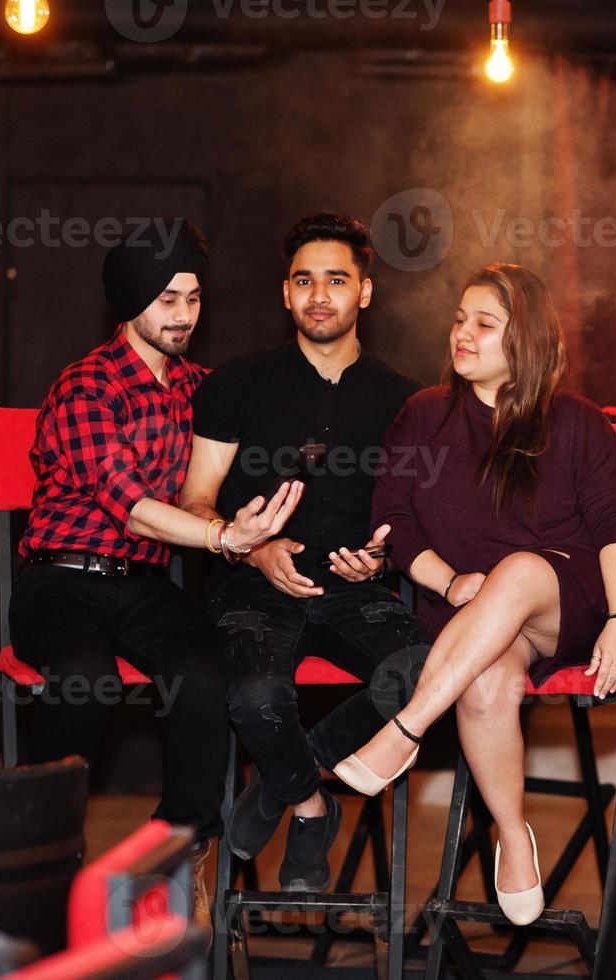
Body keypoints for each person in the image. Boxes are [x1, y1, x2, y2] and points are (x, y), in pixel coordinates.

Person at [331, 263, 616, 927]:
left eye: (483, 324)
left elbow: (614, 527)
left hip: (564, 601)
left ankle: (405, 729)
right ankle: (511, 832)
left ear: (522, 340)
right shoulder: (421, 416)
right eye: (458, 319)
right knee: (485, 684)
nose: (461, 334)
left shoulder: (577, 421)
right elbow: (394, 521)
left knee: (523, 569)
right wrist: (448, 581)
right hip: (470, 617)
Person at [10, 220, 300, 863]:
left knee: (205, 673)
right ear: (131, 300)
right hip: (60, 578)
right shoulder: (86, 385)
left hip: (143, 585)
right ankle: (37, 845)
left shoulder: (200, 389)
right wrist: (227, 537)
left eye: (194, 299)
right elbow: (135, 510)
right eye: (167, 299)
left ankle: (183, 845)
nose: (184, 315)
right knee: (87, 679)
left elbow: (237, 473)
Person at [180, 213, 428, 892]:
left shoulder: (405, 402)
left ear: (365, 293)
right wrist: (250, 547)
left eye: (337, 280)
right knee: (256, 696)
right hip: (252, 585)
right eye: (304, 281)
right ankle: (314, 808)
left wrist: (380, 561)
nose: (320, 295)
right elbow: (195, 501)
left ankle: (281, 786)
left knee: (428, 670)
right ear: (285, 294)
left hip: (356, 588)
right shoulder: (235, 383)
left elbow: (411, 521)